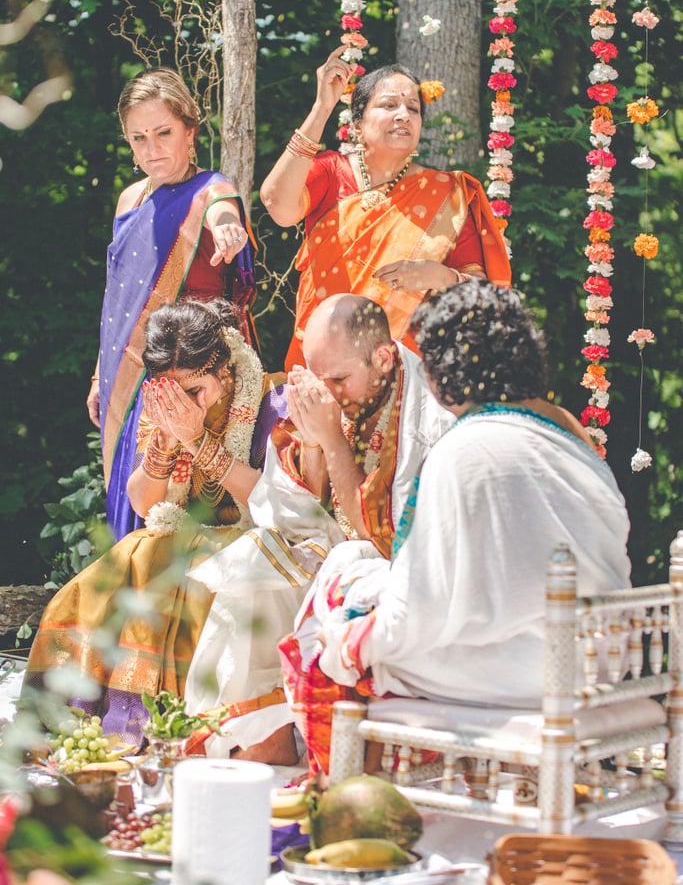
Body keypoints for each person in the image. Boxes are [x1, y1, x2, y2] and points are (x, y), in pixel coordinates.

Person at [280, 281, 632, 775]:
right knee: (352, 572)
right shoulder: (573, 439)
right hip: (601, 663)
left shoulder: (464, 449)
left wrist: (348, 636)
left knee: (329, 624)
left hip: (528, 671)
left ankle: (351, 796)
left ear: (442, 376)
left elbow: (415, 615)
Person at [182, 293, 454, 758]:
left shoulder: (426, 419)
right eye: (316, 377)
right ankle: (254, 725)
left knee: (335, 561)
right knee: (256, 555)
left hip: (404, 578)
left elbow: (385, 538)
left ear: (384, 358)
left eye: (339, 378)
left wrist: (330, 439)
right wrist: (312, 444)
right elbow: (296, 508)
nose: (326, 392)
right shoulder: (340, 391)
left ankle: (299, 733)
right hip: (335, 556)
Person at [24, 299, 288, 754]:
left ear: (224, 369)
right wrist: (167, 441)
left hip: (253, 543)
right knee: (114, 571)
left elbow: (271, 502)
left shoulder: (271, 401)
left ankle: (181, 731)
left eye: (194, 390)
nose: (184, 403)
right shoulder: (164, 404)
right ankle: (85, 722)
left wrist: (199, 440)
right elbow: (146, 503)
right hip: (177, 535)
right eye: (175, 391)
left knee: (172, 563)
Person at [87, 67, 258, 541]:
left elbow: (224, 209)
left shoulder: (210, 189)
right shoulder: (128, 200)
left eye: (163, 132)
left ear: (190, 131)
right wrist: (102, 374)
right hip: (126, 372)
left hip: (185, 375)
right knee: (127, 493)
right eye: (138, 138)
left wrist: (227, 226)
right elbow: (116, 297)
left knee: (179, 505)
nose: (152, 148)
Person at [260, 47, 512, 369]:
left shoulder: (447, 195)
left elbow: (486, 295)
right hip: (325, 361)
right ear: (358, 122)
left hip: (407, 375)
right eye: (389, 105)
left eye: (413, 108)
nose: (403, 115)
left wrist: (443, 275)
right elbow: (277, 205)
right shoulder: (331, 171)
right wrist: (322, 108)